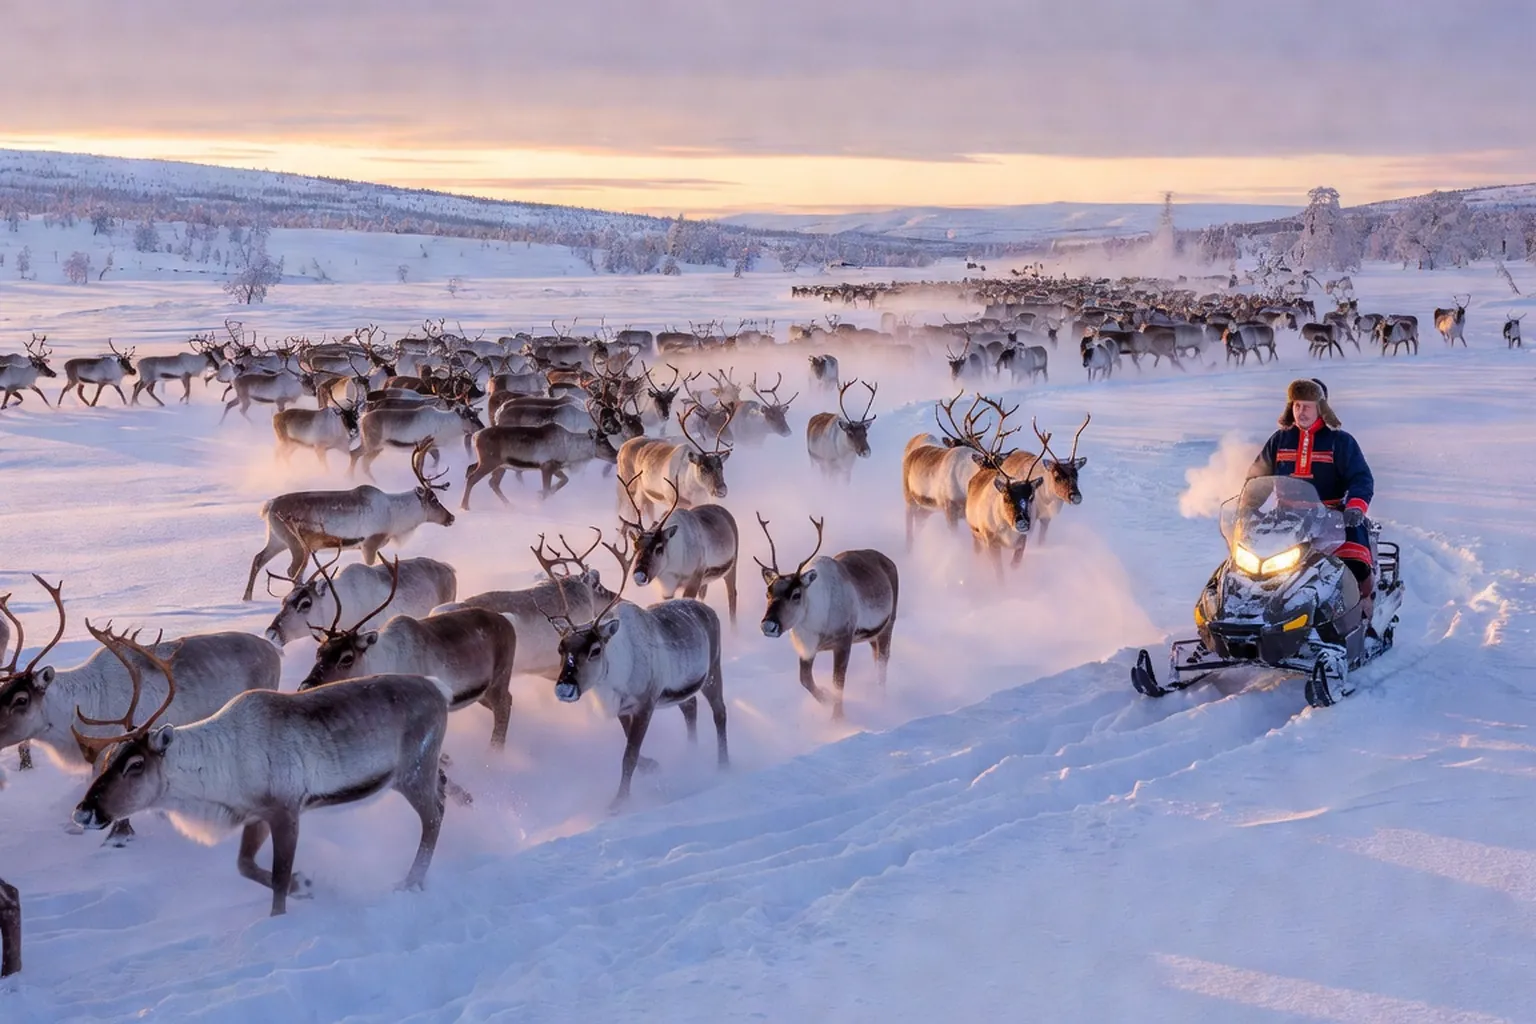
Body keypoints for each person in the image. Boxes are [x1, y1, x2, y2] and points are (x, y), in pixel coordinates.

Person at [1248, 378, 1376, 619]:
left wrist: (1355, 507)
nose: (1300, 412)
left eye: (1307, 406)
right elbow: (1258, 476)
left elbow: (1361, 479)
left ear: (1321, 408)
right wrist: (1248, 507)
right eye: (1296, 405)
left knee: (1353, 563)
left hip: (1333, 518)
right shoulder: (1279, 439)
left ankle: (1364, 599)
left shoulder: (1340, 441)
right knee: (1255, 566)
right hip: (1286, 518)